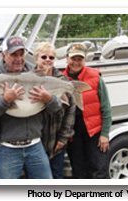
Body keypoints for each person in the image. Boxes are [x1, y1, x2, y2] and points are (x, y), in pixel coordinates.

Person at [0, 36, 62, 179]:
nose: (18, 58)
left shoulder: (37, 76)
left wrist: (50, 99)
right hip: (6, 150)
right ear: (3, 56)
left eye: (21, 54)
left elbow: (56, 108)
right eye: (13, 54)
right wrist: (5, 101)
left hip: (35, 146)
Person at [63, 43, 112, 179]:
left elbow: (106, 108)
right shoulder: (60, 79)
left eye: (80, 59)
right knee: (79, 171)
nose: (76, 63)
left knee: (98, 170)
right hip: (73, 132)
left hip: (93, 131)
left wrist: (104, 134)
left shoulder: (95, 77)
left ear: (84, 60)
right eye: (73, 59)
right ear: (67, 59)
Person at [33, 42, 75, 179]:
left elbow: (71, 111)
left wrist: (63, 138)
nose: (47, 60)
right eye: (43, 57)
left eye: (51, 58)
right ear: (36, 59)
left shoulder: (63, 80)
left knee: (57, 176)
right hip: (35, 142)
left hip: (57, 141)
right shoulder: (28, 78)